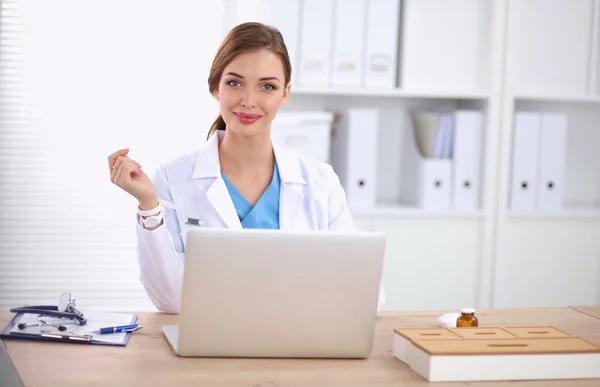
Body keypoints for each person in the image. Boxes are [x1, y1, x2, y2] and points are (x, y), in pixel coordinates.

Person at [107, 22, 385, 314]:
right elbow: (170, 301)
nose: (249, 101)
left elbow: (367, 293)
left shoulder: (319, 181)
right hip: (210, 345)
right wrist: (148, 205)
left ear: (285, 93)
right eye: (234, 83)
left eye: (267, 86)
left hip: (296, 343)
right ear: (216, 87)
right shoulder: (172, 177)